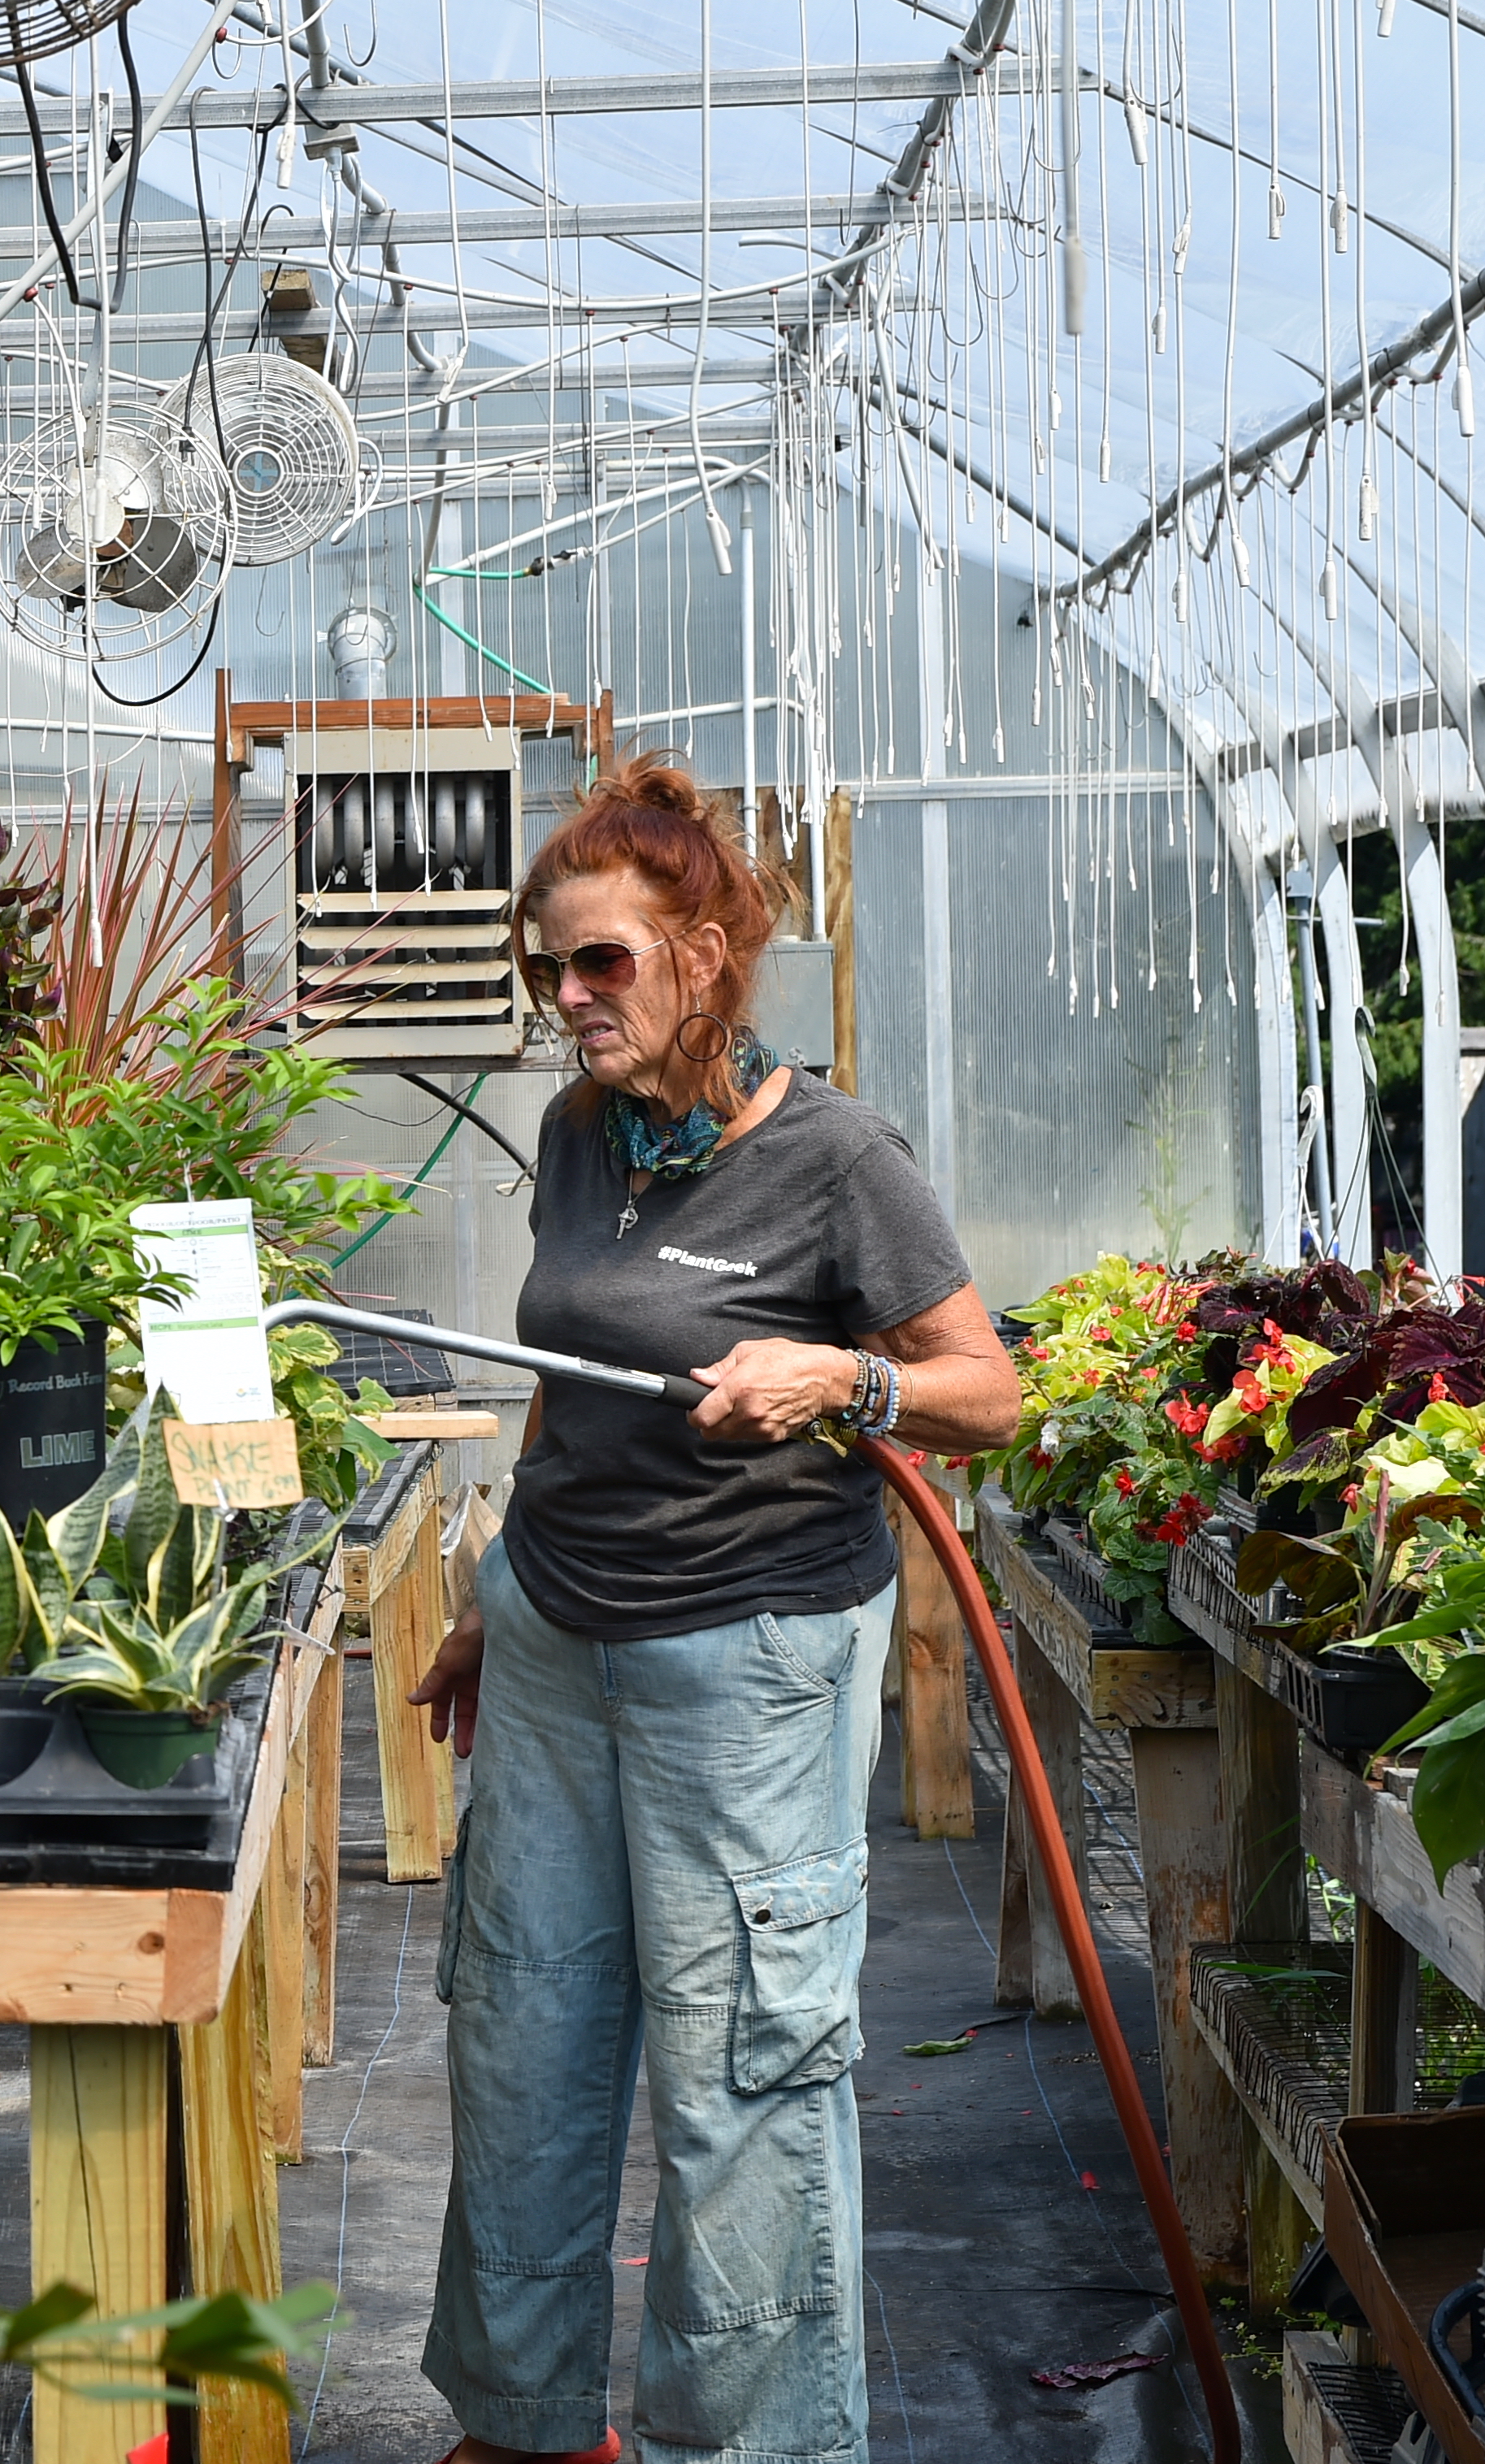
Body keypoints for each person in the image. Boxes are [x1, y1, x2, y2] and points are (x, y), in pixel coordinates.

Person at [403, 751, 1020, 2464]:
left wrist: (847, 1377)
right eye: (548, 966)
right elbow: (562, 1374)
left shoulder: (836, 1156)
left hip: (738, 1669)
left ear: (705, 951)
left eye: (601, 960)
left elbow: (987, 1388)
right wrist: (492, 1587)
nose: (569, 997)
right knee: (520, 2032)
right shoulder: (578, 1132)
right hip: (550, 1645)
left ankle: (738, 2443)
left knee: (740, 2079)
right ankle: (525, 2423)